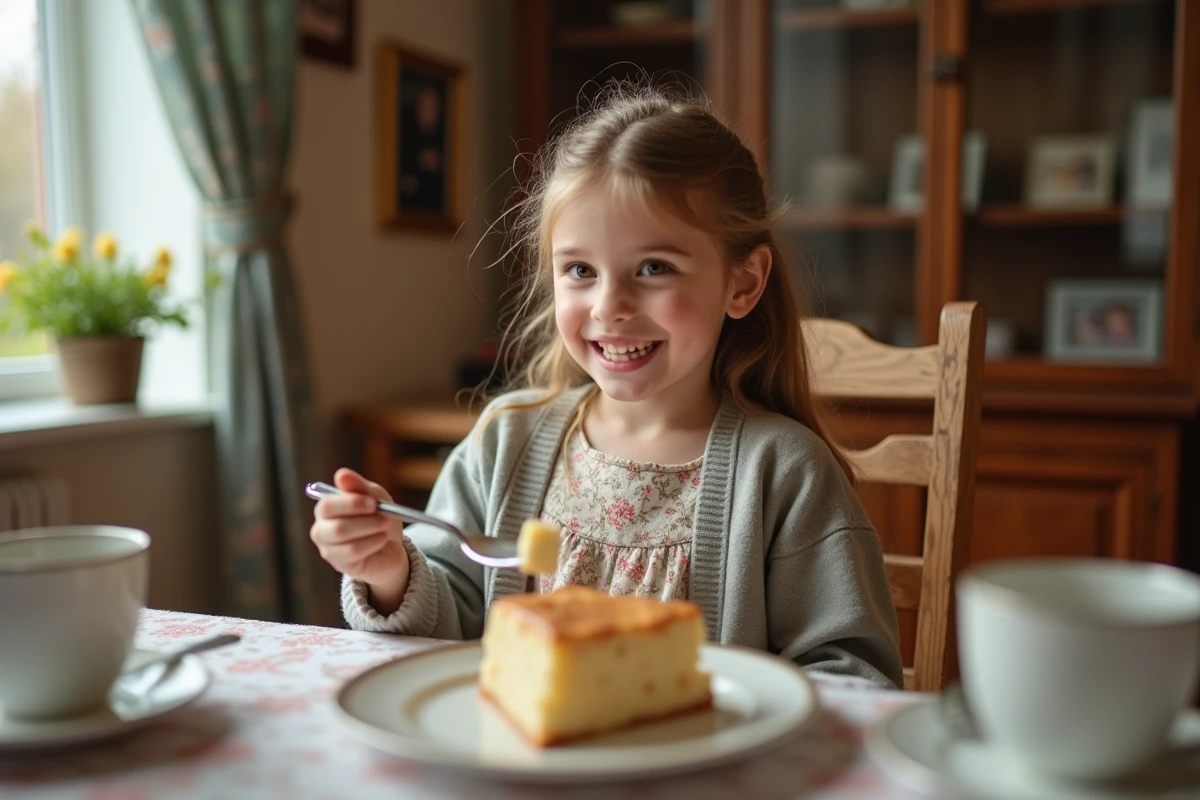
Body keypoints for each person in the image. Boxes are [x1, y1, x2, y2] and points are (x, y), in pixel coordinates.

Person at [310, 85, 904, 688]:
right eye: (580, 270)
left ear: (743, 283)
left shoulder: (783, 473)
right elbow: (448, 624)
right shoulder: (506, 441)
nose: (609, 306)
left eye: (654, 268)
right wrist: (388, 570)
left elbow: (854, 681)